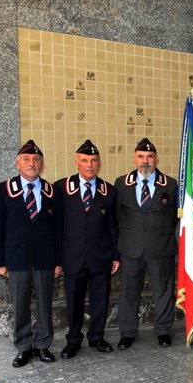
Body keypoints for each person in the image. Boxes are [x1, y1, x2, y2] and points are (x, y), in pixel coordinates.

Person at [0, 140, 62, 367]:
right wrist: (0, 262)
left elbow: (58, 229)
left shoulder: (52, 191)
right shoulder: (3, 190)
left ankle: (43, 345)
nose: (31, 163)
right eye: (26, 159)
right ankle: (23, 347)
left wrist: (58, 262)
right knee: (20, 304)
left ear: (41, 165)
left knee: (44, 304)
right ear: (17, 164)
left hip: (45, 258)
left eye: (36, 160)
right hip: (17, 258)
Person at [56, 140, 119, 359]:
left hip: (100, 255)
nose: (89, 164)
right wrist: (57, 258)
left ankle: (97, 337)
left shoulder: (108, 190)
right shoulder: (61, 188)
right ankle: (73, 340)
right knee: (73, 300)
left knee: (100, 298)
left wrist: (115, 256)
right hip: (72, 256)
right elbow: (56, 226)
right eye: (84, 160)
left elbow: (113, 226)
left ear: (99, 163)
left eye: (93, 160)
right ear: (77, 163)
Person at [114, 138, 178, 350]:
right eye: (141, 156)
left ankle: (163, 331)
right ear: (134, 159)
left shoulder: (170, 184)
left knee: (163, 291)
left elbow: (174, 217)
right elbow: (117, 217)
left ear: (156, 159)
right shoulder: (121, 183)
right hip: (131, 248)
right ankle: (127, 332)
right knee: (128, 292)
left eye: (149, 157)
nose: (145, 161)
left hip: (160, 248)